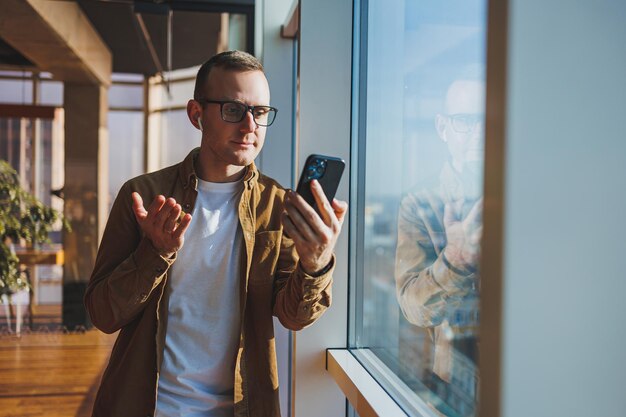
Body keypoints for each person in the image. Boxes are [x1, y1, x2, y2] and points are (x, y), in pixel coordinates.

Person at [84, 50, 347, 417]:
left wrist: (315, 264)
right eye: (233, 110)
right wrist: (154, 254)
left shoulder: (276, 205)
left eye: (260, 112)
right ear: (197, 114)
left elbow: (293, 317)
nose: (250, 126)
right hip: (149, 407)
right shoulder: (145, 196)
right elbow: (102, 314)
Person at [395, 79, 484, 416]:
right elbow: (413, 307)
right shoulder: (421, 202)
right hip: (456, 383)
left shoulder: (526, 193)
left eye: (489, 121)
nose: (479, 133)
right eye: (465, 121)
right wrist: (455, 263)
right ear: (443, 127)